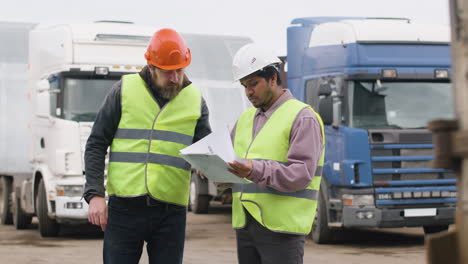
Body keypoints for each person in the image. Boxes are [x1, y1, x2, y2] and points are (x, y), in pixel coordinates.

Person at [83, 28, 211, 264]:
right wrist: (95, 194)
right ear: (151, 67)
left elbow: (207, 148)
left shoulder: (195, 99)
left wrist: (210, 166)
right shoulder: (124, 91)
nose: (174, 78)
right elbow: (96, 143)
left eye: (179, 71)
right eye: (167, 72)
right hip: (125, 208)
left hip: (171, 212)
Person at [227, 43, 325, 264]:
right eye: (244, 86)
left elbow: (301, 174)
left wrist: (254, 169)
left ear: (273, 78)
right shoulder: (244, 120)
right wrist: (211, 169)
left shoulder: (302, 117)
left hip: (282, 230)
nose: (249, 92)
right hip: (246, 224)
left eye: (254, 84)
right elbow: (231, 163)